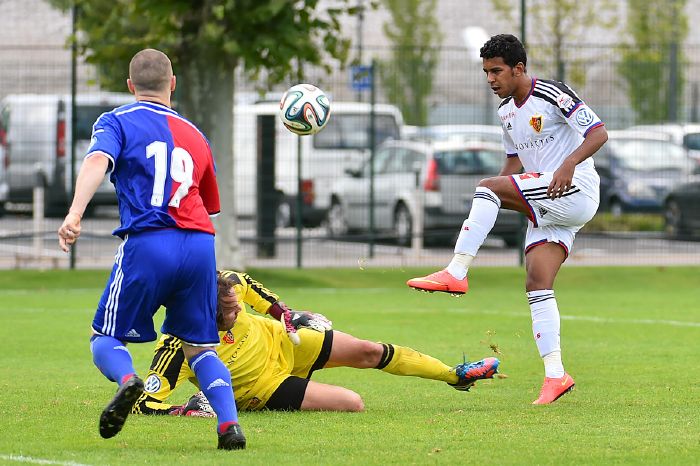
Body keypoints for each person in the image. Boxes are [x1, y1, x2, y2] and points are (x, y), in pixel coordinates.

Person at [57, 49, 245, 449]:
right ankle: (228, 425)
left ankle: (129, 382)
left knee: (104, 338)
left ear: (130, 86)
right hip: (199, 244)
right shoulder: (197, 135)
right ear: (172, 84)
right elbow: (209, 202)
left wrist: (75, 214)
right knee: (200, 347)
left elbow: (97, 161)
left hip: (148, 240)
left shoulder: (117, 121)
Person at [407, 34, 608, 405]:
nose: (491, 79)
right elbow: (513, 165)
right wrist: (495, 198)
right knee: (537, 282)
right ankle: (556, 376)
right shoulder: (505, 112)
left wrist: (566, 164)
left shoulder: (551, 93)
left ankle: (456, 271)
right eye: (486, 72)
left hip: (575, 188)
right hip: (549, 201)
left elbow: (598, 133)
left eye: (497, 71)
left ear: (519, 68)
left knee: (487, 186)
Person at [132, 270, 500, 415]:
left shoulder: (226, 286)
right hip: (266, 387)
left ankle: (455, 375)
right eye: (230, 312)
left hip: (285, 342)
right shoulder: (177, 347)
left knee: (369, 350)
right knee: (353, 404)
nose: (237, 311)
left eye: (236, 305)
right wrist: (186, 409)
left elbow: (255, 291)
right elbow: (144, 404)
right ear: (206, 317)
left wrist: (288, 315)